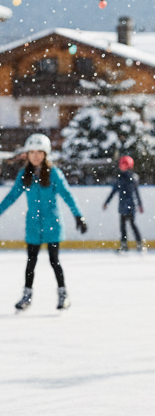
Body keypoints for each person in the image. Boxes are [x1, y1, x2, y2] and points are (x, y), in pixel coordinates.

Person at [0, 133, 87, 311]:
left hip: (52, 223)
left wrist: (78, 215)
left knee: (54, 260)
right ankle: (26, 296)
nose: (36, 156)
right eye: (32, 152)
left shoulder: (54, 174)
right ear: (27, 154)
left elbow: (67, 195)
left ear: (45, 154)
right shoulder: (24, 175)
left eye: (39, 152)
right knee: (31, 261)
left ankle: (63, 295)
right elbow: (12, 197)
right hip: (33, 224)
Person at [103, 155, 145, 253]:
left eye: (124, 164)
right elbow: (114, 191)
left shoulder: (132, 178)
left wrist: (139, 204)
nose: (121, 166)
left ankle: (138, 244)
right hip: (123, 205)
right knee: (123, 226)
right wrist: (107, 202)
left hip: (130, 205)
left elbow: (136, 192)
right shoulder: (121, 178)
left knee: (131, 224)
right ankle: (124, 245)